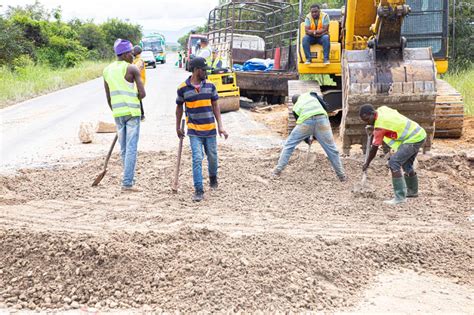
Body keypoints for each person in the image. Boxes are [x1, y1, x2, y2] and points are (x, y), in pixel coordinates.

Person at [175, 57, 229, 202]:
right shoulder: (182, 88)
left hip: (210, 128)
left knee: (212, 157)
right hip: (193, 130)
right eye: (204, 70)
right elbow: (179, 107)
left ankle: (213, 177)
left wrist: (220, 126)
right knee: (197, 158)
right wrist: (177, 127)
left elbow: (216, 106)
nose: (206, 72)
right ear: (197, 70)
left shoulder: (210, 86)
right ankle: (198, 190)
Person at [359, 104, 427, 205]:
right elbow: (388, 122)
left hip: (413, 138)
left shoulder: (380, 127)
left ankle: (400, 197)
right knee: (406, 164)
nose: (367, 122)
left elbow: (374, 148)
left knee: (393, 162)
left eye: (368, 119)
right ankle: (412, 191)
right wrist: (373, 126)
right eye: (365, 121)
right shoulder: (382, 109)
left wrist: (367, 163)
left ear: (373, 113)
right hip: (419, 134)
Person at [103, 39, 146, 192]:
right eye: (131, 54)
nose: (133, 57)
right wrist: (135, 97)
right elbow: (143, 94)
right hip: (132, 113)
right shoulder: (132, 69)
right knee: (131, 148)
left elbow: (108, 97)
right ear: (126, 54)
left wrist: (116, 111)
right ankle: (127, 183)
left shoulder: (107, 70)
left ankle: (129, 179)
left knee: (124, 148)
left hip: (117, 113)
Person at [272, 92, 346, 181]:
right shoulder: (311, 94)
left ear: (295, 102)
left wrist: (307, 139)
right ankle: (342, 176)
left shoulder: (295, 108)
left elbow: (300, 123)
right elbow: (324, 105)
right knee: (332, 149)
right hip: (322, 120)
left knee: (289, 145)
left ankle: (277, 171)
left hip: (306, 122)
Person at [132, 45, 146, 121]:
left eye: (133, 51)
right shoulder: (136, 60)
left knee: (138, 98)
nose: (132, 52)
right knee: (137, 98)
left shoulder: (140, 61)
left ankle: (142, 115)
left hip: (139, 82)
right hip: (137, 82)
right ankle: (141, 115)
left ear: (137, 52)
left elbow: (136, 69)